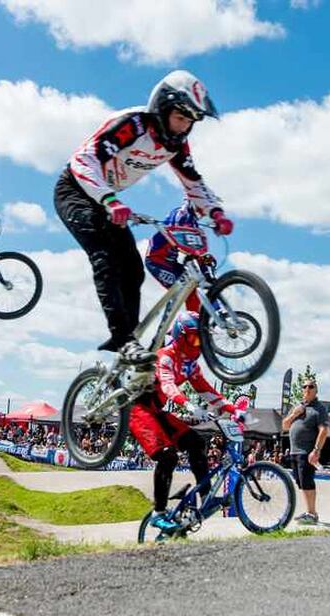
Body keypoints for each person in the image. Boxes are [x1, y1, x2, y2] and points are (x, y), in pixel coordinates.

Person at [54, 70, 231, 364]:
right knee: (106, 259)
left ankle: (130, 343)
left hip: (106, 201)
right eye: (180, 117)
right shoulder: (132, 125)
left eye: (190, 121)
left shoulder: (175, 144)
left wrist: (215, 211)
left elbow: (192, 181)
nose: (184, 127)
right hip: (75, 190)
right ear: (162, 108)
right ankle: (124, 340)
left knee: (133, 270)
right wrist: (109, 199)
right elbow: (83, 161)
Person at [129, 311, 237, 532]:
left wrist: (234, 409)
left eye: (201, 339)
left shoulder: (190, 365)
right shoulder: (165, 355)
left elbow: (207, 391)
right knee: (168, 455)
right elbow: (168, 386)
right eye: (194, 338)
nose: (198, 344)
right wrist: (188, 405)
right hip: (139, 410)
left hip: (156, 411)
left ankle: (207, 495)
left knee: (196, 442)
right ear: (180, 335)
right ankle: (158, 513)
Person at [144, 200, 207, 312]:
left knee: (194, 289)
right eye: (201, 208)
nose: (202, 213)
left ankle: (194, 324)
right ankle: (165, 326)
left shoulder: (194, 223)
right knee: (180, 290)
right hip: (156, 260)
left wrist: (203, 264)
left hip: (171, 263)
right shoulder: (180, 213)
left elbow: (195, 249)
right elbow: (179, 237)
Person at [281, 379, 328, 525]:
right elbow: (284, 426)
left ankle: (312, 514)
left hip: (307, 452)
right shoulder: (297, 407)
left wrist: (316, 451)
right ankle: (309, 512)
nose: (307, 388)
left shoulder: (319, 408)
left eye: (311, 386)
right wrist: (294, 414)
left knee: (307, 481)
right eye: (305, 386)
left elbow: (324, 430)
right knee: (300, 482)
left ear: (316, 390)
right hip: (294, 452)